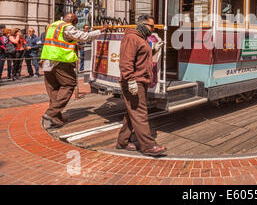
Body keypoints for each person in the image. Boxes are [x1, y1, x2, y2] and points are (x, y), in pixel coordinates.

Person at [41, 13, 108, 127]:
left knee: (54, 88)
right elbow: (83, 36)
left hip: (47, 59)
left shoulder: (53, 25)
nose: (75, 26)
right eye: (75, 23)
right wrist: (100, 31)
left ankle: (56, 117)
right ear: (72, 20)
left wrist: (74, 44)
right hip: (60, 60)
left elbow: (60, 40)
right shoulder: (67, 27)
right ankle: (51, 113)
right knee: (69, 84)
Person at [116, 15, 166, 157]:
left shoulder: (140, 38)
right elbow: (126, 62)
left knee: (133, 112)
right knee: (140, 113)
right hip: (134, 81)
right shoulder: (132, 37)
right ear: (143, 25)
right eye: (151, 26)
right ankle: (148, 146)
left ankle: (122, 141)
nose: (153, 29)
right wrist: (130, 80)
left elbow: (141, 55)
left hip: (140, 80)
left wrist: (154, 49)